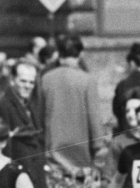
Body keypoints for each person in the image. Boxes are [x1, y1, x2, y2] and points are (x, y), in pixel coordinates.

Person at [0, 58, 53, 188]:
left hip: (33, 172)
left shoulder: (31, 105)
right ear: (13, 80)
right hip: (19, 176)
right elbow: (2, 147)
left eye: (31, 82)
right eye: (23, 81)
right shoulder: (3, 106)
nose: (27, 86)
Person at [36, 34, 102, 172]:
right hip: (81, 159)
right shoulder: (88, 81)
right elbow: (94, 120)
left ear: (59, 53)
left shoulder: (46, 79)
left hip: (53, 157)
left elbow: (39, 118)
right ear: (80, 53)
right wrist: (99, 149)